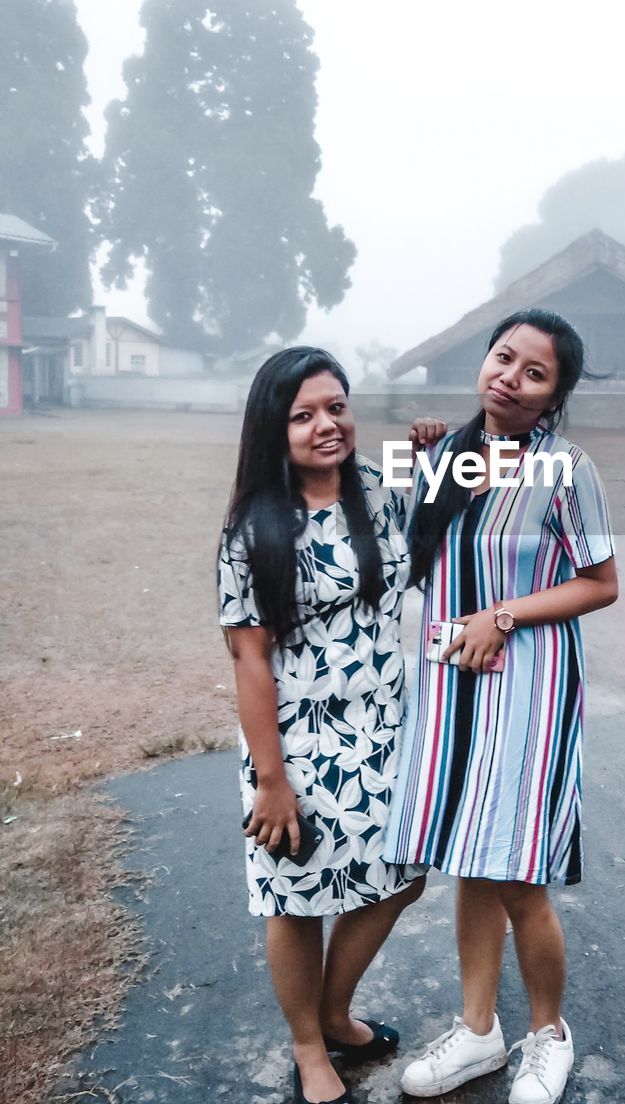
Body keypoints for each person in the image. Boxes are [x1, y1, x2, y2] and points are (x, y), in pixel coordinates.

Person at [383, 309, 618, 1104]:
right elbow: (419, 556)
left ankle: (548, 1036)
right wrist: (423, 462)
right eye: (503, 358)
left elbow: (601, 582)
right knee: (472, 862)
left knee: (518, 873)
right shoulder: (450, 451)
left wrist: (504, 615)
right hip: (452, 682)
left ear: (553, 398)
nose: (509, 378)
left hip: (530, 688)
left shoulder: (568, 468)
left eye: (534, 374)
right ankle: (478, 1033)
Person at [218, 347, 426, 1104]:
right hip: (298, 746)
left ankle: (335, 1012)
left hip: (384, 729)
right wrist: (271, 781)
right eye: (303, 415)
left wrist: (436, 445)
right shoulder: (255, 527)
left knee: (400, 877)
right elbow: (249, 661)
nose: (325, 425)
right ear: (274, 429)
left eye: (335, 406)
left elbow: (450, 512)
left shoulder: (377, 486)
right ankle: (310, 1047)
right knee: (295, 899)